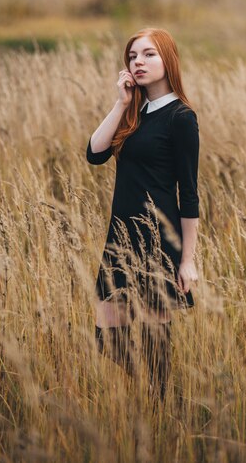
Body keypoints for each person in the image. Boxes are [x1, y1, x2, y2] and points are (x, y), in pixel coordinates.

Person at [86, 27, 200, 405]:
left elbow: (189, 194)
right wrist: (121, 103)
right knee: (107, 335)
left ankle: (163, 405)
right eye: (133, 56)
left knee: (155, 338)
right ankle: (156, 394)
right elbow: (95, 154)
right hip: (120, 238)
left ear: (168, 59)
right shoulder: (134, 113)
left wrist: (187, 261)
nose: (139, 62)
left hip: (158, 240)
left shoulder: (181, 118)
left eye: (149, 54)